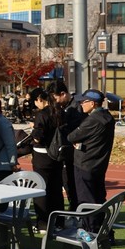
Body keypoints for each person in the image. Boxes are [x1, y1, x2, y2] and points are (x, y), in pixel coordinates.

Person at [66, 89, 115, 233]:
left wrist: (78, 141)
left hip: (85, 164)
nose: (81, 104)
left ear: (92, 103)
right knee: (99, 198)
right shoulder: (107, 116)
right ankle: (104, 231)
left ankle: (91, 231)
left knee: (86, 200)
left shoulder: (92, 120)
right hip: (99, 164)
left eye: (83, 101)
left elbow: (71, 136)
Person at [29, 88, 64, 231]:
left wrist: (33, 129)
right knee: (56, 189)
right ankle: (59, 221)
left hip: (42, 155)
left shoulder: (42, 114)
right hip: (57, 154)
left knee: (41, 189)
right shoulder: (59, 112)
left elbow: (38, 137)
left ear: (39, 99)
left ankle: (43, 223)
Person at [48, 80, 85, 213]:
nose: (56, 102)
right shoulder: (65, 106)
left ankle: (76, 209)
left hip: (73, 152)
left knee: (73, 183)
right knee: (67, 182)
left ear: (63, 94)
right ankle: (73, 207)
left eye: (56, 98)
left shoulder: (76, 107)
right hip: (66, 151)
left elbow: (75, 130)